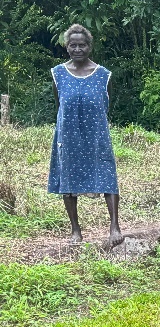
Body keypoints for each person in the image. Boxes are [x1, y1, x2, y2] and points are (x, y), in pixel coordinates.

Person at [48, 23, 123, 247]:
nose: (77, 49)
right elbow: (59, 104)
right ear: (66, 47)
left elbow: (106, 104)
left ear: (89, 46)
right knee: (68, 181)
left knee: (107, 176)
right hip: (68, 135)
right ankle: (75, 230)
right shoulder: (58, 74)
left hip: (97, 135)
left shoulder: (104, 75)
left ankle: (114, 227)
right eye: (73, 45)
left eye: (82, 45)